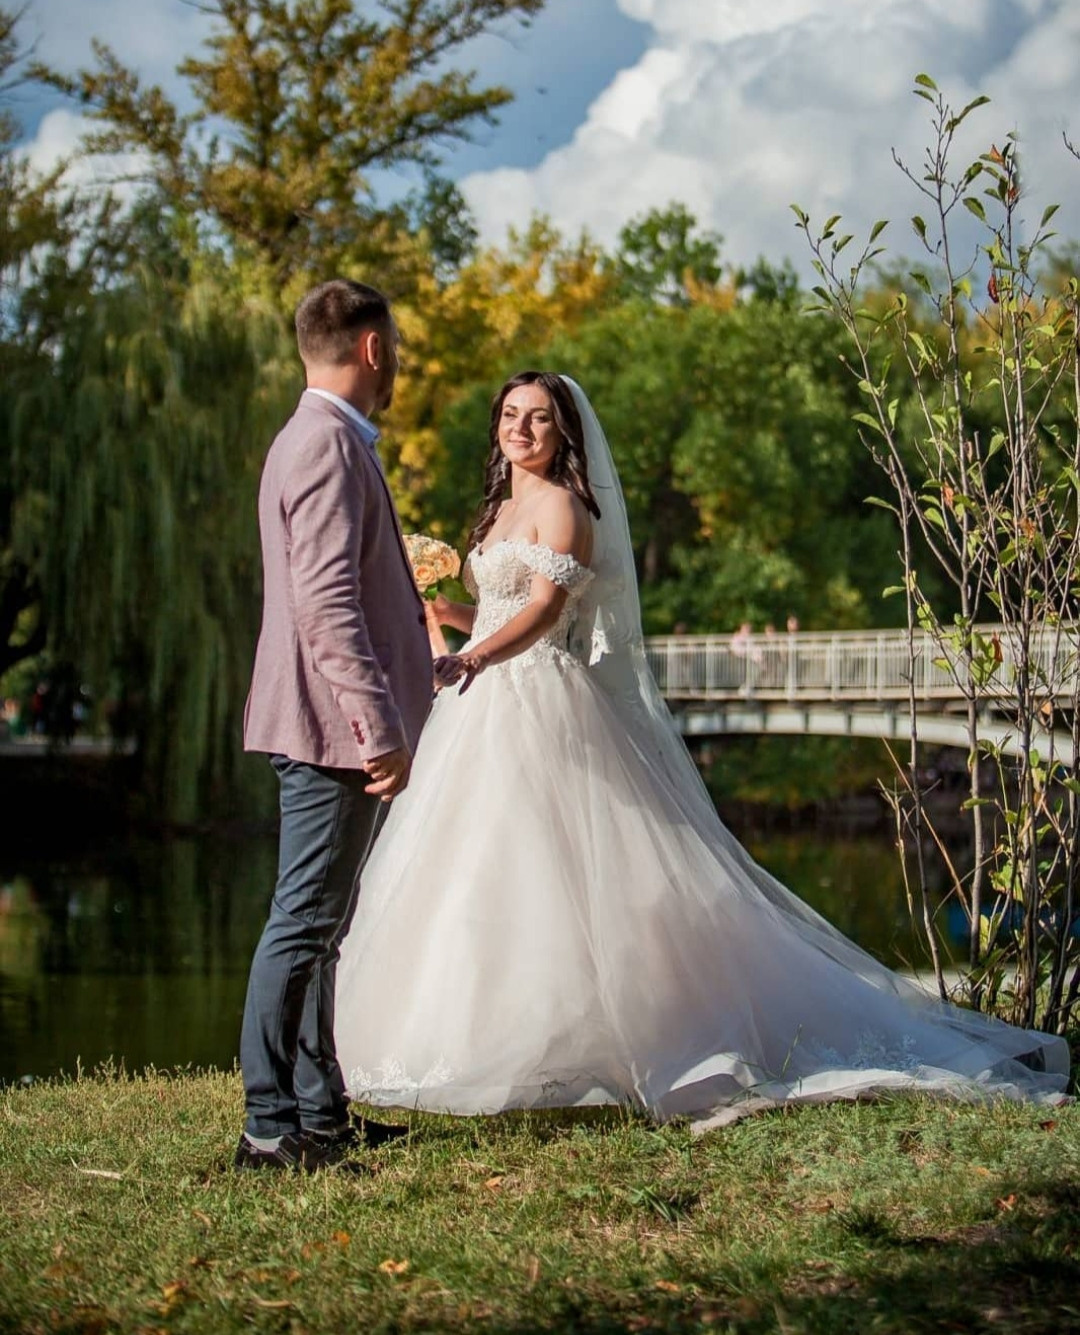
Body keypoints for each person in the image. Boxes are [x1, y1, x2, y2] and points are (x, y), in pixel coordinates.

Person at [333, 371, 1069, 1127]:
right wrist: (446, 615)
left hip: (540, 697)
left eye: (540, 418)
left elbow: (546, 611)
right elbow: (495, 608)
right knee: (471, 864)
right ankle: (466, 1034)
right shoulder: (500, 509)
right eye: (512, 415)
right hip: (480, 703)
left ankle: (595, 1041)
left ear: (563, 434)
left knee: (556, 864)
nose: (521, 429)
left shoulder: (564, 508)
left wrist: (478, 656)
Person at [237, 279, 434, 1171]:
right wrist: (377, 725)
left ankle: (322, 1111)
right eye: (393, 345)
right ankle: (269, 1127)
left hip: (330, 726)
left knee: (326, 921)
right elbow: (325, 607)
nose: (396, 362)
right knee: (303, 922)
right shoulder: (323, 445)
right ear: (372, 349)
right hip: (329, 729)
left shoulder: (324, 438)